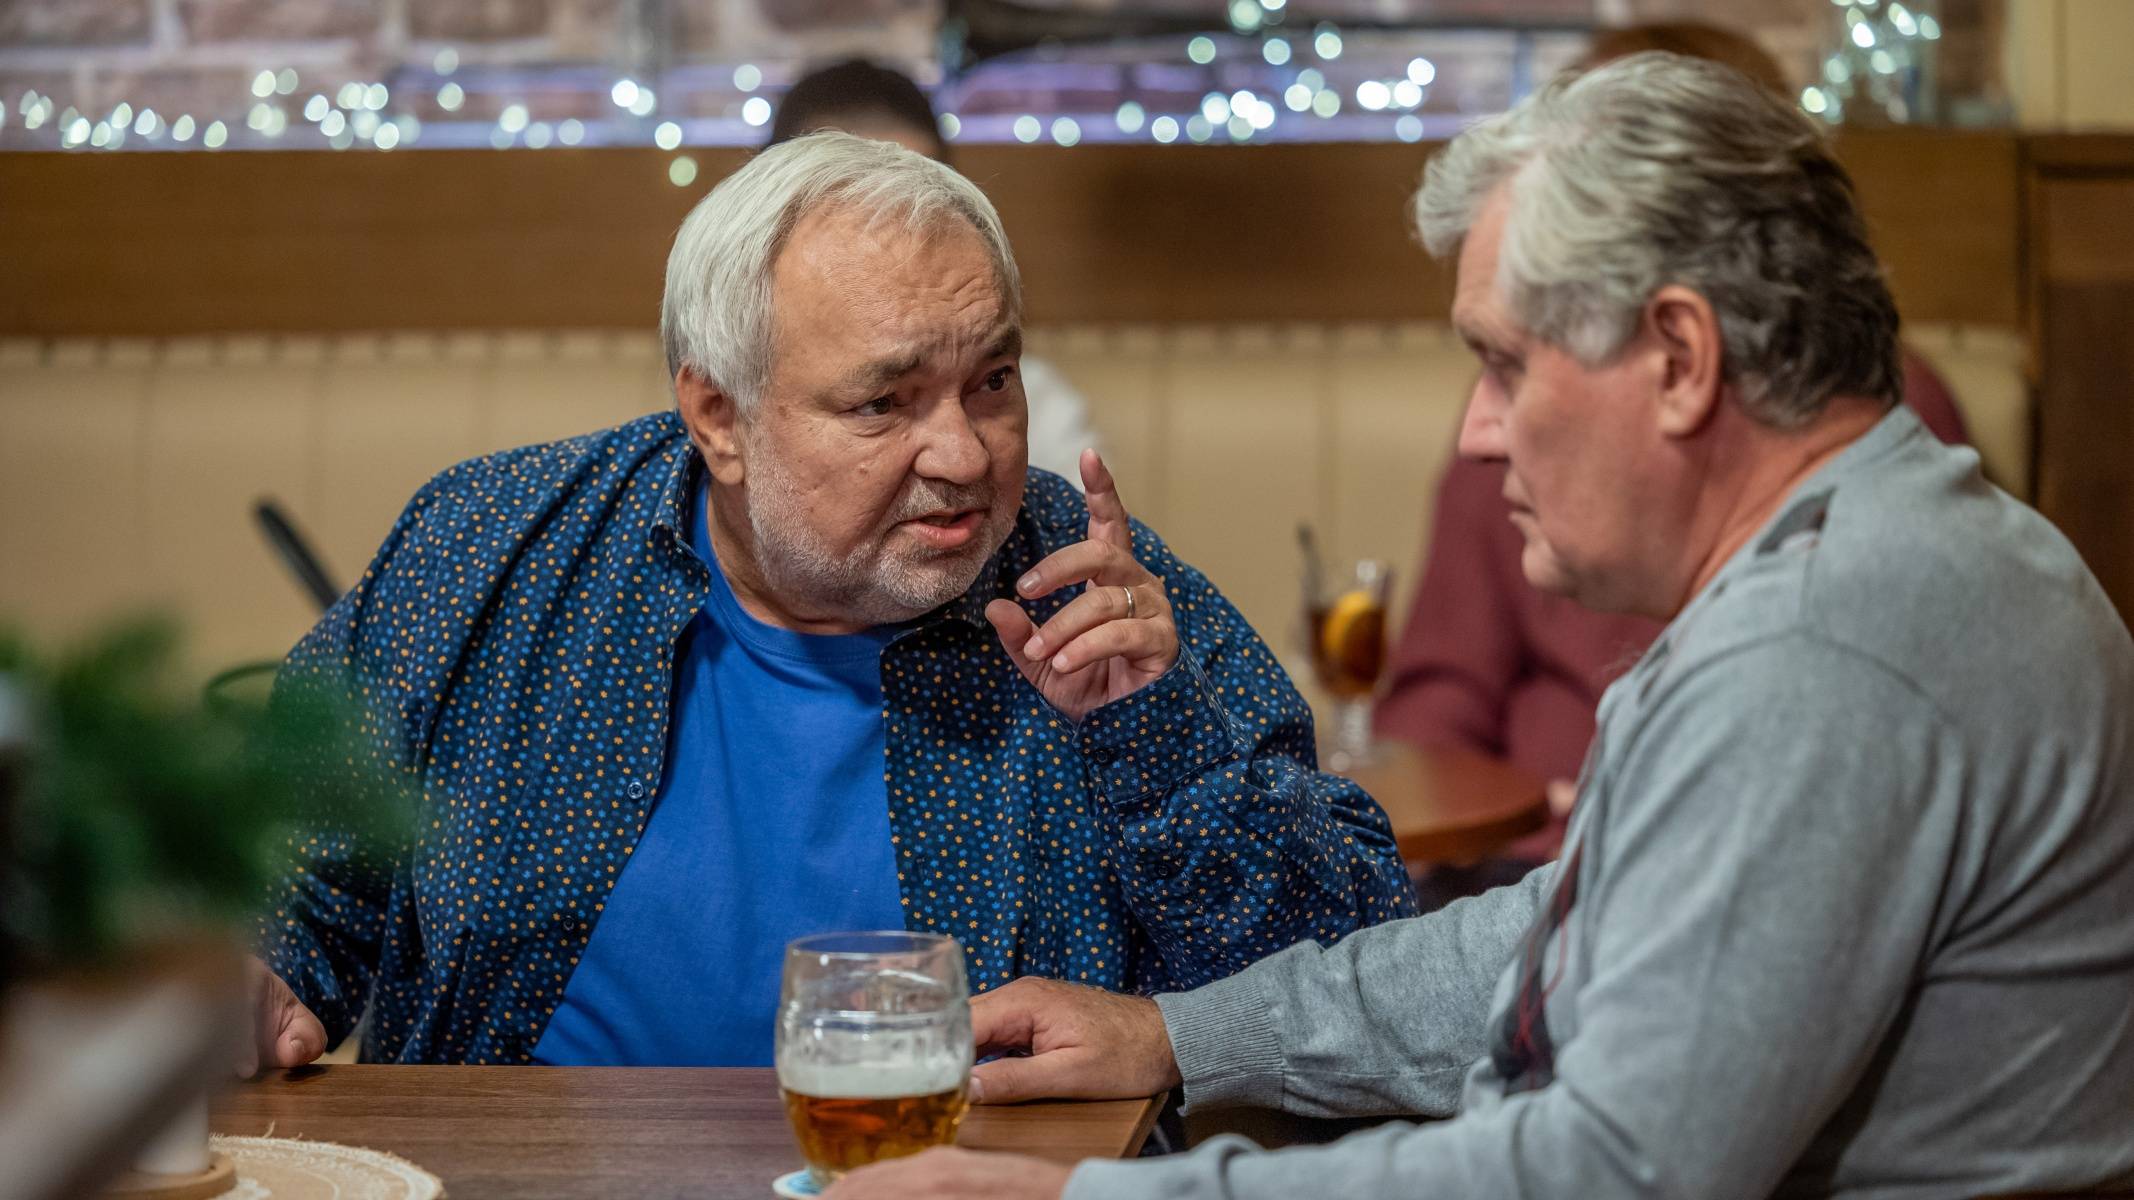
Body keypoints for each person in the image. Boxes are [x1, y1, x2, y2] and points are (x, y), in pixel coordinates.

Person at [823, 53, 2134, 1199]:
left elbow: (1602, 1174)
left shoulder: (1818, 654)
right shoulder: (1898, 543)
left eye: (1503, 363)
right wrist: (1182, 1033)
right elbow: (1562, 939)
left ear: (1679, 360)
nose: (1477, 431)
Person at [241, 133, 1413, 1072]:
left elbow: (1345, 983)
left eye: (991, 381)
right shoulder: (491, 549)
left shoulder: (1084, 580)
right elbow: (290, 869)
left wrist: (1161, 743)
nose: (964, 455)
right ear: (718, 417)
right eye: (882, 404)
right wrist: (254, 978)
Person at [1376, 19, 1973, 874]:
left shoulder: (1820, 616)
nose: (1478, 434)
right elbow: (1437, 701)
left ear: (1681, 356)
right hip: (1521, 867)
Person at [768, 58, 1103, 485]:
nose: (965, 461)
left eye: (920, 197)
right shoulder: (734, 397)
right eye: (877, 405)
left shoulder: (1037, 406)